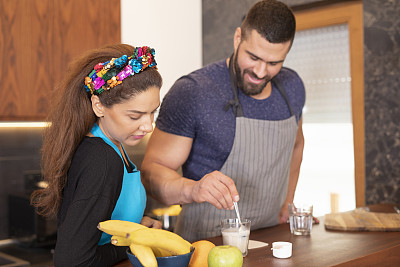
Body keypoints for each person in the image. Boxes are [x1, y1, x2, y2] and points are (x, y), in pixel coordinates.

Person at [141, 0, 305, 241]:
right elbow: (151, 172)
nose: (260, 72)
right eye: (253, 57)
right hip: (205, 245)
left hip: (270, 241)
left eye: (274, 63)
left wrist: (287, 203)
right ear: (238, 38)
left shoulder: (292, 88)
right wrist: (192, 189)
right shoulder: (193, 91)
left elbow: (296, 145)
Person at [31, 44, 163, 266]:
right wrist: (132, 243)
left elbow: (99, 221)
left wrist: (135, 226)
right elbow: (72, 261)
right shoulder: (102, 160)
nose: (148, 126)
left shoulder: (112, 146)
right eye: (135, 116)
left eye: (152, 112)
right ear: (99, 106)